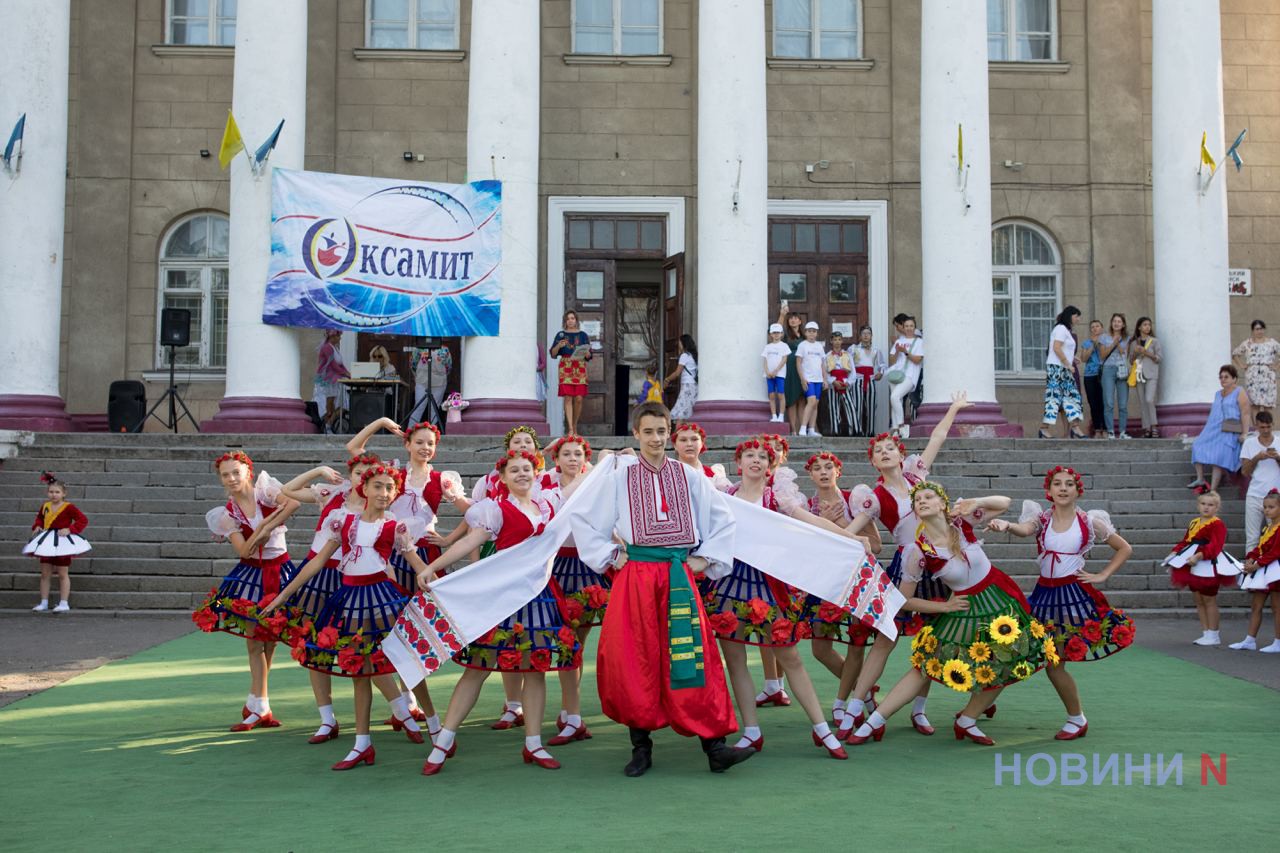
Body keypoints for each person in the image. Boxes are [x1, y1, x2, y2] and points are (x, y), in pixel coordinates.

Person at [568, 401, 755, 777]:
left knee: (693, 656)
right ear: (636, 434)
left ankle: (714, 747)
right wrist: (609, 554)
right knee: (635, 657)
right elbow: (583, 517)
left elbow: (723, 519)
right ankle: (641, 747)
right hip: (636, 575)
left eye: (662, 431)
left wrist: (705, 558)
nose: (656, 438)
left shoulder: (688, 476)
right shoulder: (619, 475)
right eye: (649, 431)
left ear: (669, 433)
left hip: (678, 576)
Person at [845, 484, 1047, 748]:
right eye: (917, 500)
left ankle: (967, 719)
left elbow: (1005, 501)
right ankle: (875, 723)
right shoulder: (918, 551)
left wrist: (974, 501)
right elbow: (904, 600)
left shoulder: (961, 524)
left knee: (1009, 662)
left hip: (1000, 601)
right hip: (962, 609)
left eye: (929, 497)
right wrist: (944, 608)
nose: (922, 501)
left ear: (943, 504)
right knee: (926, 667)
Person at [702, 439, 868, 760]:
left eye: (762, 457)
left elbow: (813, 522)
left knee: (790, 657)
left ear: (770, 465)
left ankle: (821, 729)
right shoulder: (725, 497)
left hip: (768, 586)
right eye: (749, 455)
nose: (755, 460)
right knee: (735, 661)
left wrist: (852, 537)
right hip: (727, 586)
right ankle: (751, 731)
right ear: (739, 464)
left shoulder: (777, 498)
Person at [418, 450, 581, 775]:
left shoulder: (548, 505)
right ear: (503, 478)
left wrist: (609, 461)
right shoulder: (496, 510)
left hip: (539, 597)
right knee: (479, 667)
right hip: (504, 598)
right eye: (514, 470)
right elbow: (469, 542)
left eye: (527, 469)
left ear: (536, 473)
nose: (522, 474)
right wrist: (432, 567)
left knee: (534, 670)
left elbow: (582, 489)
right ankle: (444, 740)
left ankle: (533, 742)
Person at [262, 464, 432, 771]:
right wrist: (283, 595)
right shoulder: (342, 520)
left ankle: (430, 721)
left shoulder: (396, 526)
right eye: (377, 486)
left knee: (403, 660)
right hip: (350, 598)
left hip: (382, 598)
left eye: (389, 488)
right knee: (358, 669)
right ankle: (362, 744)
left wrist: (438, 583)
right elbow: (316, 564)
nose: (383, 493)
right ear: (363, 489)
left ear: (395, 494)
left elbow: (418, 564)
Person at [834, 393, 972, 741]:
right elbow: (851, 531)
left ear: (899, 454)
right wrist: (837, 535)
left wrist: (953, 408)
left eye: (890, 448)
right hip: (907, 564)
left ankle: (919, 709)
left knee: (933, 638)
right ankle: (854, 708)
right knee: (885, 640)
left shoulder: (917, 479)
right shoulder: (875, 497)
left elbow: (937, 439)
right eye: (878, 450)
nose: (885, 453)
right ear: (874, 462)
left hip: (939, 561)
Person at [988, 466, 1135, 740]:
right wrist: (1007, 525)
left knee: (1054, 662)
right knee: (1014, 649)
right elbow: (1023, 529)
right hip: (1043, 595)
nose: (1063, 488)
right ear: (1050, 490)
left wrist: (1103, 574)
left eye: (1069, 484)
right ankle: (981, 705)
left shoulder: (1089, 521)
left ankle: (1076, 719)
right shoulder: (1041, 518)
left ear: (1078, 490)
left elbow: (1124, 547)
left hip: (1071, 598)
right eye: (1058, 484)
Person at [278, 453, 405, 744]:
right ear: (352, 475)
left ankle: (401, 709)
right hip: (320, 577)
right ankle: (326, 719)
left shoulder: (382, 511)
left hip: (359, 582)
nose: (362, 478)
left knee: (365, 646)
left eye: (367, 475)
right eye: (358, 473)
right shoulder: (331, 495)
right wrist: (319, 469)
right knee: (316, 645)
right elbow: (287, 490)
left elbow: (384, 555)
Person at [191, 451, 300, 731]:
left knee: (270, 641)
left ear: (248, 473)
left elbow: (292, 503)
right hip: (252, 575)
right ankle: (259, 704)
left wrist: (264, 527)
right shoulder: (227, 515)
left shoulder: (265, 490)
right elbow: (244, 550)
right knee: (254, 641)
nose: (231, 479)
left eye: (235, 472)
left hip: (281, 571)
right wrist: (262, 534)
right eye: (225, 475)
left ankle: (256, 701)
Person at [541, 434, 608, 746]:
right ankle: (572, 714)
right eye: (566, 454)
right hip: (555, 569)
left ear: (585, 458)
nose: (572, 459)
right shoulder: (546, 486)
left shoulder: (595, 485)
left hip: (586, 569)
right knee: (568, 643)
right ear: (556, 460)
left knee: (574, 644)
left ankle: (572, 714)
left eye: (577, 454)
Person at [1164, 491, 1240, 646]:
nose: (1206, 507)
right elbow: (1186, 542)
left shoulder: (1217, 524)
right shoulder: (1194, 522)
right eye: (1203, 504)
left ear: (1217, 507)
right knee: (1198, 598)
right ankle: (1205, 632)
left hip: (1208, 563)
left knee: (1209, 599)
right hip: (1192, 563)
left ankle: (1214, 634)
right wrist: (1174, 552)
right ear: (1198, 505)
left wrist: (1199, 556)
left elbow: (1215, 547)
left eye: (1210, 505)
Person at [24, 471, 89, 613]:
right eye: (51, 492)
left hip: (62, 542)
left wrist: (70, 529)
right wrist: (37, 526)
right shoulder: (45, 506)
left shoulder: (69, 507)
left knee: (62, 573)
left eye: (57, 492)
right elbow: (40, 519)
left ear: (64, 493)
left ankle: (64, 602)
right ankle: (44, 602)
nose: (54, 494)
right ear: (47, 493)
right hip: (46, 541)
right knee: (45, 574)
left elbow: (83, 520)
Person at [1229, 490, 1280, 653]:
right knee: (1256, 605)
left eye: (1271, 507)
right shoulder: (1268, 528)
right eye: (1265, 507)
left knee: (1277, 606)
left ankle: (1278, 641)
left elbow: (1276, 552)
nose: (1266, 510)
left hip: (1275, 570)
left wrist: (1256, 565)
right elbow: (1261, 547)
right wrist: (1251, 557)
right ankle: (1250, 640)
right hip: (1263, 569)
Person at [1189, 365, 1252, 493]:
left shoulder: (1239, 391)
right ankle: (1200, 479)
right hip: (1213, 428)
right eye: (1221, 377)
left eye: (1226, 377)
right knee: (1197, 445)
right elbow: (1214, 413)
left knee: (1219, 455)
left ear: (1234, 379)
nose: (1223, 379)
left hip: (1229, 430)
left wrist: (1245, 433)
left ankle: (1213, 489)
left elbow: (1245, 413)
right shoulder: (1218, 394)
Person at [1041, 306, 1088, 439]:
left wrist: (1073, 358)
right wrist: (1068, 363)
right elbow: (1056, 348)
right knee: (1054, 398)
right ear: (1070, 316)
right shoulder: (1061, 328)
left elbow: (1062, 348)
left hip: (1062, 367)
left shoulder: (1065, 330)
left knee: (1072, 397)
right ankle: (1044, 428)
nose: (1078, 319)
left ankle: (1075, 428)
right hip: (1058, 368)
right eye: (1076, 316)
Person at [1241, 411, 1280, 550]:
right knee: (1252, 538)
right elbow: (1245, 472)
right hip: (1254, 494)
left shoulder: (1279, 441)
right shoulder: (1249, 443)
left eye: (1268, 427)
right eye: (1262, 427)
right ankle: (1250, 570)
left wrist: (1277, 458)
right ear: (1256, 426)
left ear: (1272, 425)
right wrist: (1257, 457)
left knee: (1275, 537)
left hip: (1276, 497)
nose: (1266, 430)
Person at [549, 310, 592, 434]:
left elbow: (589, 356)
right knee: (568, 397)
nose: (570, 321)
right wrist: (559, 346)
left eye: (572, 318)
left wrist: (587, 352)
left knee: (578, 398)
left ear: (576, 320)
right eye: (568, 319)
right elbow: (553, 353)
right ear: (565, 321)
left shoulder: (583, 335)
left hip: (579, 365)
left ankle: (575, 424)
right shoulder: (560, 335)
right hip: (566, 366)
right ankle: (571, 429)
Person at [1233, 319, 1280, 416]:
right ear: (1252, 330)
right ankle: (1256, 428)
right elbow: (1235, 354)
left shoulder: (1272, 343)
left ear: (1264, 329)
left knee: (1268, 403)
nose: (1259, 331)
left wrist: (1276, 366)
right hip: (1252, 376)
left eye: (1261, 329)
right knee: (1254, 404)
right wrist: (1242, 365)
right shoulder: (1247, 343)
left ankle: (1267, 427)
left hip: (1268, 375)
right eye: (1257, 329)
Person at [888, 316, 923, 438]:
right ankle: (895, 429)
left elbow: (918, 360)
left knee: (895, 396)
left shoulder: (919, 342)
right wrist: (897, 351)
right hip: (895, 373)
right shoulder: (898, 341)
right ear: (903, 327)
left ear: (914, 328)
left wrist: (905, 352)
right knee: (895, 400)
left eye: (911, 326)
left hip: (910, 375)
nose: (908, 328)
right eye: (906, 326)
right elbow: (892, 361)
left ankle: (902, 425)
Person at [1128, 317, 1163, 437]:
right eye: (1145, 325)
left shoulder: (1154, 341)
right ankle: (1147, 428)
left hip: (1152, 374)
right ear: (1139, 327)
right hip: (1139, 375)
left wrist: (1146, 352)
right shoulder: (1134, 343)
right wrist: (1135, 353)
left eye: (1149, 325)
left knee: (1149, 399)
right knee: (1143, 402)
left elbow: (1159, 358)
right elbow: (1131, 361)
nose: (1147, 327)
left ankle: (1154, 426)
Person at [1099, 313, 1130, 439]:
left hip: (1122, 370)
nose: (1116, 323)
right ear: (1111, 323)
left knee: (1123, 403)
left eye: (1119, 321)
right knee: (1109, 402)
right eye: (1114, 321)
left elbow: (1124, 354)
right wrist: (1113, 343)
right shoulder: (1104, 337)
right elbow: (1102, 355)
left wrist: (1118, 343)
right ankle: (1110, 431)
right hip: (1108, 369)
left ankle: (1122, 432)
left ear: (1123, 324)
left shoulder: (1127, 338)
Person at [851, 325, 886, 436]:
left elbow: (882, 364)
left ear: (871, 336)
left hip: (870, 380)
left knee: (871, 406)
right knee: (857, 405)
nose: (866, 336)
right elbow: (847, 363)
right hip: (858, 379)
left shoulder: (876, 350)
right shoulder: (853, 349)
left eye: (868, 333)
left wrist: (880, 373)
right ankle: (857, 430)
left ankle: (870, 431)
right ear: (860, 336)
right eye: (864, 333)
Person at [778, 307, 806, 432]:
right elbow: (777, 329)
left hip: (803, 369)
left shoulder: (805, 336)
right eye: (791, 319)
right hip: (790, 368)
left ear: (800, 321)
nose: (793, 320)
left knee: (801, 399)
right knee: (792, 398)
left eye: (795, 318)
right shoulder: (786, 335)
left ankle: (802, 429)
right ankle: (793, 429)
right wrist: (782, 315)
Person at [795, 321, 826, 437]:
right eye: (809, 331)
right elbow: (798, 363)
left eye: (814, 331)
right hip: (808, 379)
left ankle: (811, 429)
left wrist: (825, 379)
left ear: (817, 333)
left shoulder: (819, 346)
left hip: (818, 379)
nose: (811, 334)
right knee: (811, 401)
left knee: (815, 404)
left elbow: (823, 364)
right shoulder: (802, 345)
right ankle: (803, 428)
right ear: (806, 332)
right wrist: (802, 379)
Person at [314, 329, 350, 427]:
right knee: (329, 404)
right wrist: (346, 374)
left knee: (334, 403)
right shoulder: (327, 348)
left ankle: (330, 424)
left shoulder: (335, 348)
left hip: (334, 380)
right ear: (333, 336)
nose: (340, 338)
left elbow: (340, 364)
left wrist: (348, 373)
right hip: (326, 380)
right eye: (339, 336)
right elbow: (333, 365)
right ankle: (327, 424)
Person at [1078, 320, 1107, 438]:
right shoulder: (1086, 343)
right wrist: (1092, 346)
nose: (1095, 328)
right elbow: (1083, 359)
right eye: (1092, 327)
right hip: (1089, 375)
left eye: (1097, 326)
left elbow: (1103, 356)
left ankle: (1105, 428)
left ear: (1102, 328)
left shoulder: (1106, 341)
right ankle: (1097, 429)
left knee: (1103, 402)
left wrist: (1099, 344)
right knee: (1093, 403)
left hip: (1103, 374)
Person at [410, 344, 452, 426]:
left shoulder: (445, 350)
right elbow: (413, 364)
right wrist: (420, 375)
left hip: (439, 383)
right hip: (422, 382)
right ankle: (410, 431)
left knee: (434, 408)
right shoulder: (418, 348)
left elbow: (448, 367)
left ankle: (433, 433)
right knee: (418, 407)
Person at [664, 334, 698, 421]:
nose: (678, 344)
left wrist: (667, 379)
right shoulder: (693, 356)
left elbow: (677, 373)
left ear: (683, 343)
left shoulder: (684, 356)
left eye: (679, 342)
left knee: (680, 411)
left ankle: (676, 433)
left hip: (687, 386)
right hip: (694, 386)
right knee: (688, 410)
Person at [762, 323, 790, 423]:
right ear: (771, 334)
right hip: (769, 375)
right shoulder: (767, 347)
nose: (776, 334)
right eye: (774, 333)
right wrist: (767, 372)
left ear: (781, 334)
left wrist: (776, 371)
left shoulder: (784, 346)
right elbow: (765, 361)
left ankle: (781, 415)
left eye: (778, 332)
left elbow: (784, 359)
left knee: (781, 394)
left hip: (780, 374)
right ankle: (774, 415)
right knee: (772, 395)